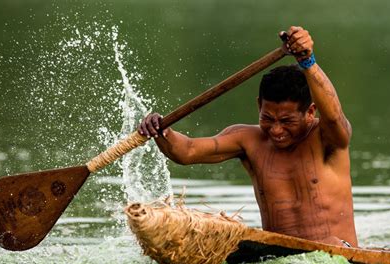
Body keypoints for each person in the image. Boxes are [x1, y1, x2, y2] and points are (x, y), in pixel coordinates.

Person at [138, 26, 358, 247]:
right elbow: (186, 151)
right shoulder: (248, 140)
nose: (276, 130)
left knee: (333, 244)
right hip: (278, 261)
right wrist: (160, 129)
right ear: (259, 106)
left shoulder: (328, 138)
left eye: (287, 121)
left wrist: (308, 62)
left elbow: (333, 117)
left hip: (343, 258)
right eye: (268, 119)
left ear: (310, 112)